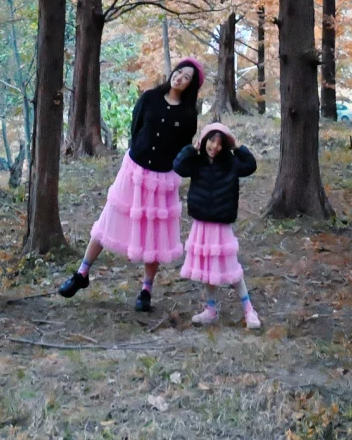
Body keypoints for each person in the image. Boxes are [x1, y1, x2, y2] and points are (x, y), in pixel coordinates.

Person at [58, 58, 204, 312]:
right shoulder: (149, 98)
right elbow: (135, 128)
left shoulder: (188, 115)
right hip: (134, 170)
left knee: (154, 233)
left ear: (191, 86)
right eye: (179, 71)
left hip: (162, 178)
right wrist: (139, 152)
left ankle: (146, 289)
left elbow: (183, 148)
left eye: (186, 77)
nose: (179, 77)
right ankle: (82, 273)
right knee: (109, 217)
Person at [173, 121, 261, 329]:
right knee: (207, 268)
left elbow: (250, 165)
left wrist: (237, 146)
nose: (215, 147)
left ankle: (249, 309)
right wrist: (192, 149)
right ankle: (211, 310)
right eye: (212, 141)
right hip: (202, 222)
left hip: (221, 224)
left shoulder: (231, 162)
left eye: (220, 143)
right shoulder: (196, 161)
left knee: (232, 267)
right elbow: (178, 166)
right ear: (204, 140)